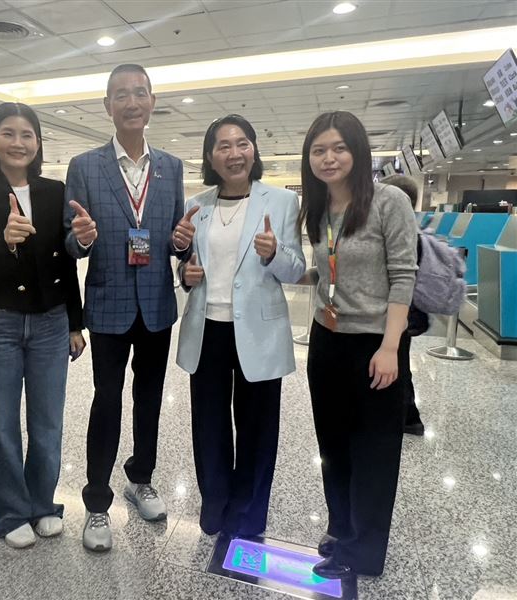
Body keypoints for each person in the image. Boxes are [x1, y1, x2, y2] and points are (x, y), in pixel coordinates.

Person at [64, 64, 195, 552]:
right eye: (121, 95)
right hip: (108, 303)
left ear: (152, 103)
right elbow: (70, 244)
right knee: (106, 401)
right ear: (108, 106)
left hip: (157, 304)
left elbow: (176, 240)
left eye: (140, 93)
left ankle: (141, 477)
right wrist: (79, 240)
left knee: (150, 398)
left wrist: (183, 243)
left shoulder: (171, 167)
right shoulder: (85, 165)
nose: (131, 102)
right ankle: (97, 503)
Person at [0, 102, 85, 549]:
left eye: (27, 134)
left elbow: (67, 263)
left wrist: (75, 322)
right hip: (1, 321)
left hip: (52, 321)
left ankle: (43, 504)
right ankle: (10, 511)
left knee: (48, 423)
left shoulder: (55, 190)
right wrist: (5, 242)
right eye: (8, 133)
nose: (18, 142)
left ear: (38, 142)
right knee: (2, 425)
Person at [299, 111, 417, 579]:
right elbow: (327, 271)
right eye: (319, 150)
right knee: (334, 447)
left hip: (374, 345)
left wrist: (391, 347)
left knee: (373, 451)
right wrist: (291, 271)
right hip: (326, 340)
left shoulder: (388, 202)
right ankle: (342, 529)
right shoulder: (318, 207)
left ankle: (364, 553)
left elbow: (403, 275)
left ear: (358, 151)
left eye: (339, 148)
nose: (329, 158)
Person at [176, 115, 306, 538]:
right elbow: (187, 266)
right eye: (223, 146)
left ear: (254, 149)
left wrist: (274, 253)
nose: (234, 153)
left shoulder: (283, 202)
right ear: (210, 157)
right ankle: (215, 504)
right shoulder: (197, 205)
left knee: (257, 428)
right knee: (209, 425)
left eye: (242, 143)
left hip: (259, 332)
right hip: (207, 328)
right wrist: (184, 274)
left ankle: (248, 512)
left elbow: (297, 269)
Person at [381, 174, 427, 436]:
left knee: (398, 364)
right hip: (406, 312)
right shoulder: (410, 231)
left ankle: (408, 417)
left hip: (400, 314)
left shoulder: (405, 234)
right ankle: (408, 416)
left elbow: (400, 278)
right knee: (401, 363)